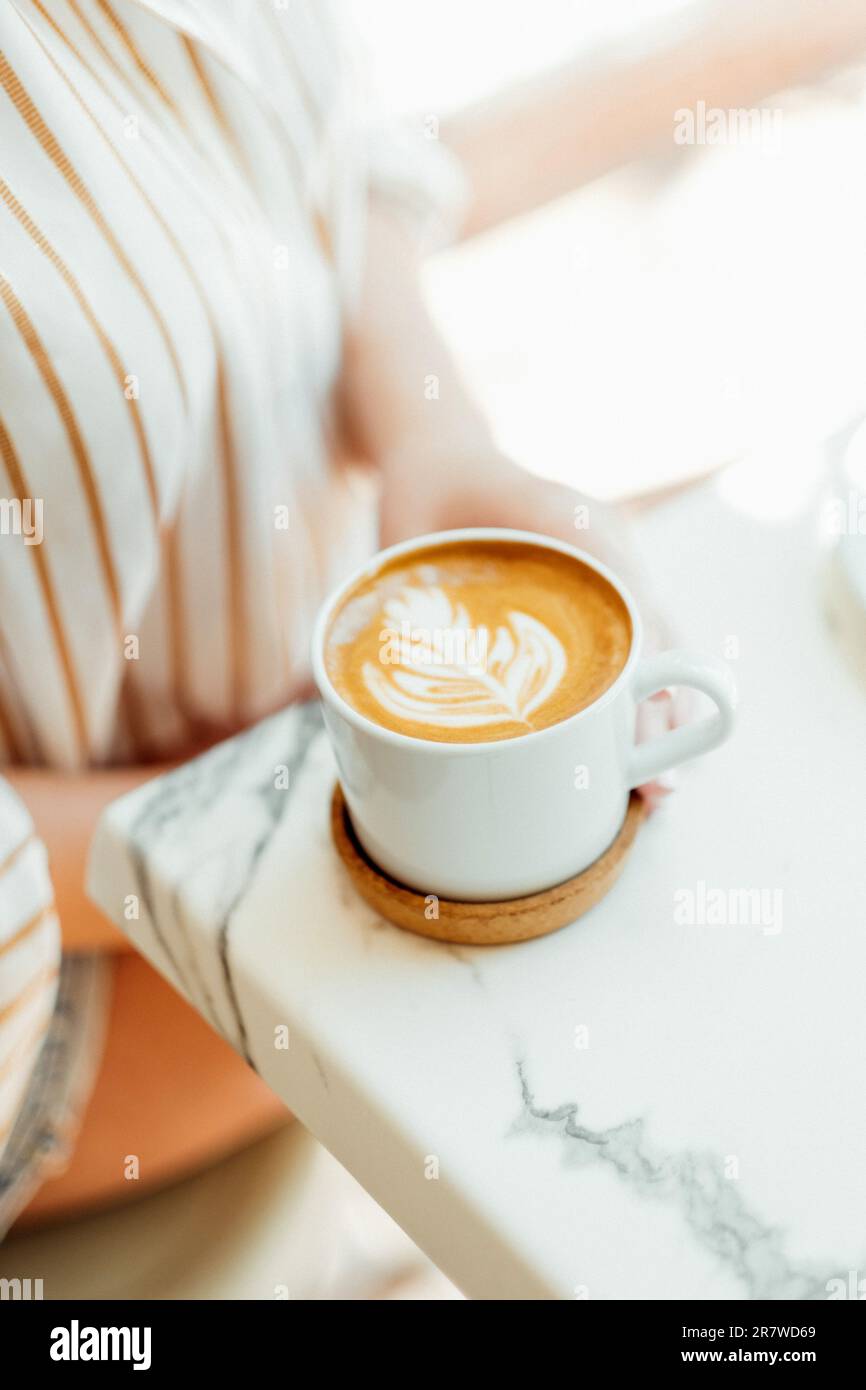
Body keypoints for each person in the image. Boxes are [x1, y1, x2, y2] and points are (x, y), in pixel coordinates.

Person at [3, 0, 861, 1238]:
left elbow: (331, 153)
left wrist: (433, 438)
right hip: (64, 978)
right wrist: (229, 816)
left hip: (321, 737)